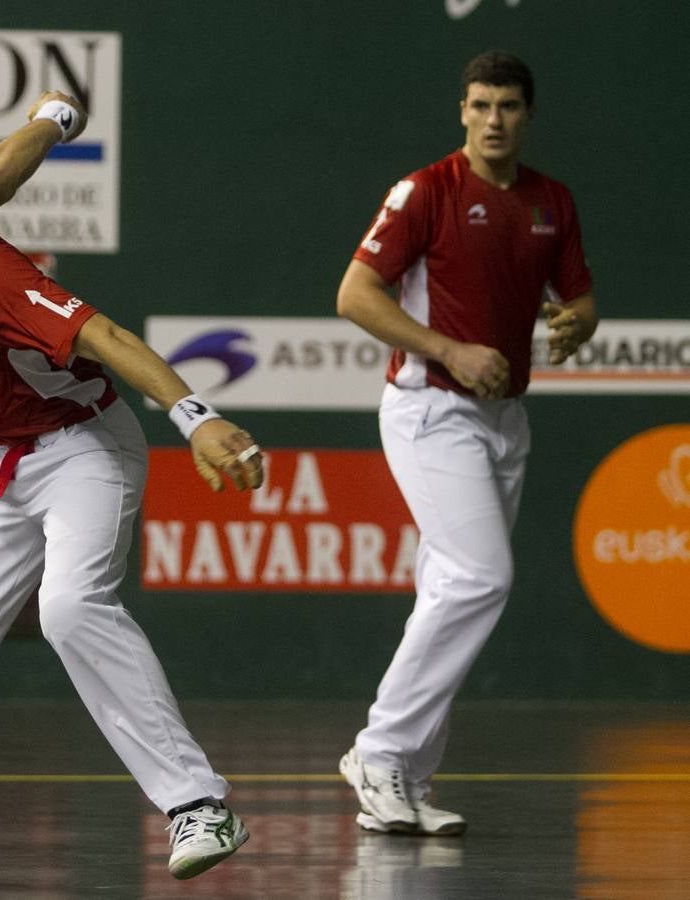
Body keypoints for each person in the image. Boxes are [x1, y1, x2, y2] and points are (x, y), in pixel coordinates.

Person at [0, 91, 262, 885]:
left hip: (83, 450)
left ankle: (197, 803)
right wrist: (54, 120)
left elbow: (103, 336)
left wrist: (196, 416)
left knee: (72, 607)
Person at [335, 52, 598, 835]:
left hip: (504, 420)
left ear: (526, 114)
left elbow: (579, 302)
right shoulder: (426, 192)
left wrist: (575, 324)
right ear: (461, 111)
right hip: (428, 410)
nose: (493, 119)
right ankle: (378, 752)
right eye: (480, 104)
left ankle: (404, 781)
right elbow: (353, 293)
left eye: (508, 106)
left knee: (449, 587)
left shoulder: (551, 202)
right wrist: (447, 349)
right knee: (480, 577)